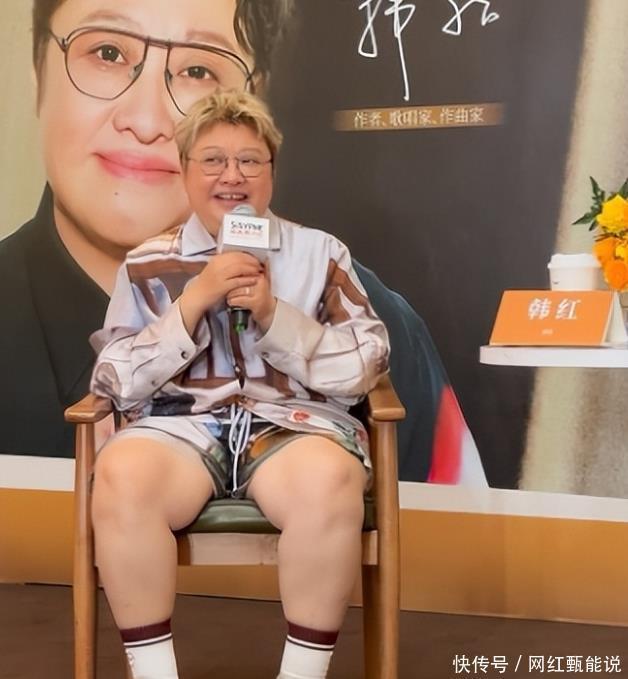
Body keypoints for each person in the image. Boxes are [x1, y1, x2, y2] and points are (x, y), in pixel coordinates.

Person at [1, 0, 482, 487]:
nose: (145, 121)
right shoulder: (135, 278)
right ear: (38, 70)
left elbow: (444, 523)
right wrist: (193, 306)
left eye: (197, 70)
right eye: (107, 53)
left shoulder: (364, 302)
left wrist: (276, 320)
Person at [89, 89, 389, 679]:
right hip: (178, 429)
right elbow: (114, 379)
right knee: (123, 474)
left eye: (250, 160)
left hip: (295, 427)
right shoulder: (147, 263)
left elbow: (366, 363)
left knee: (330, 479)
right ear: (185, 172)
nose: (233, 176)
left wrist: (276, 317)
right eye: (213, 161)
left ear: (271, 171)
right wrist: (192, 304)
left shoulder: (320, 253)